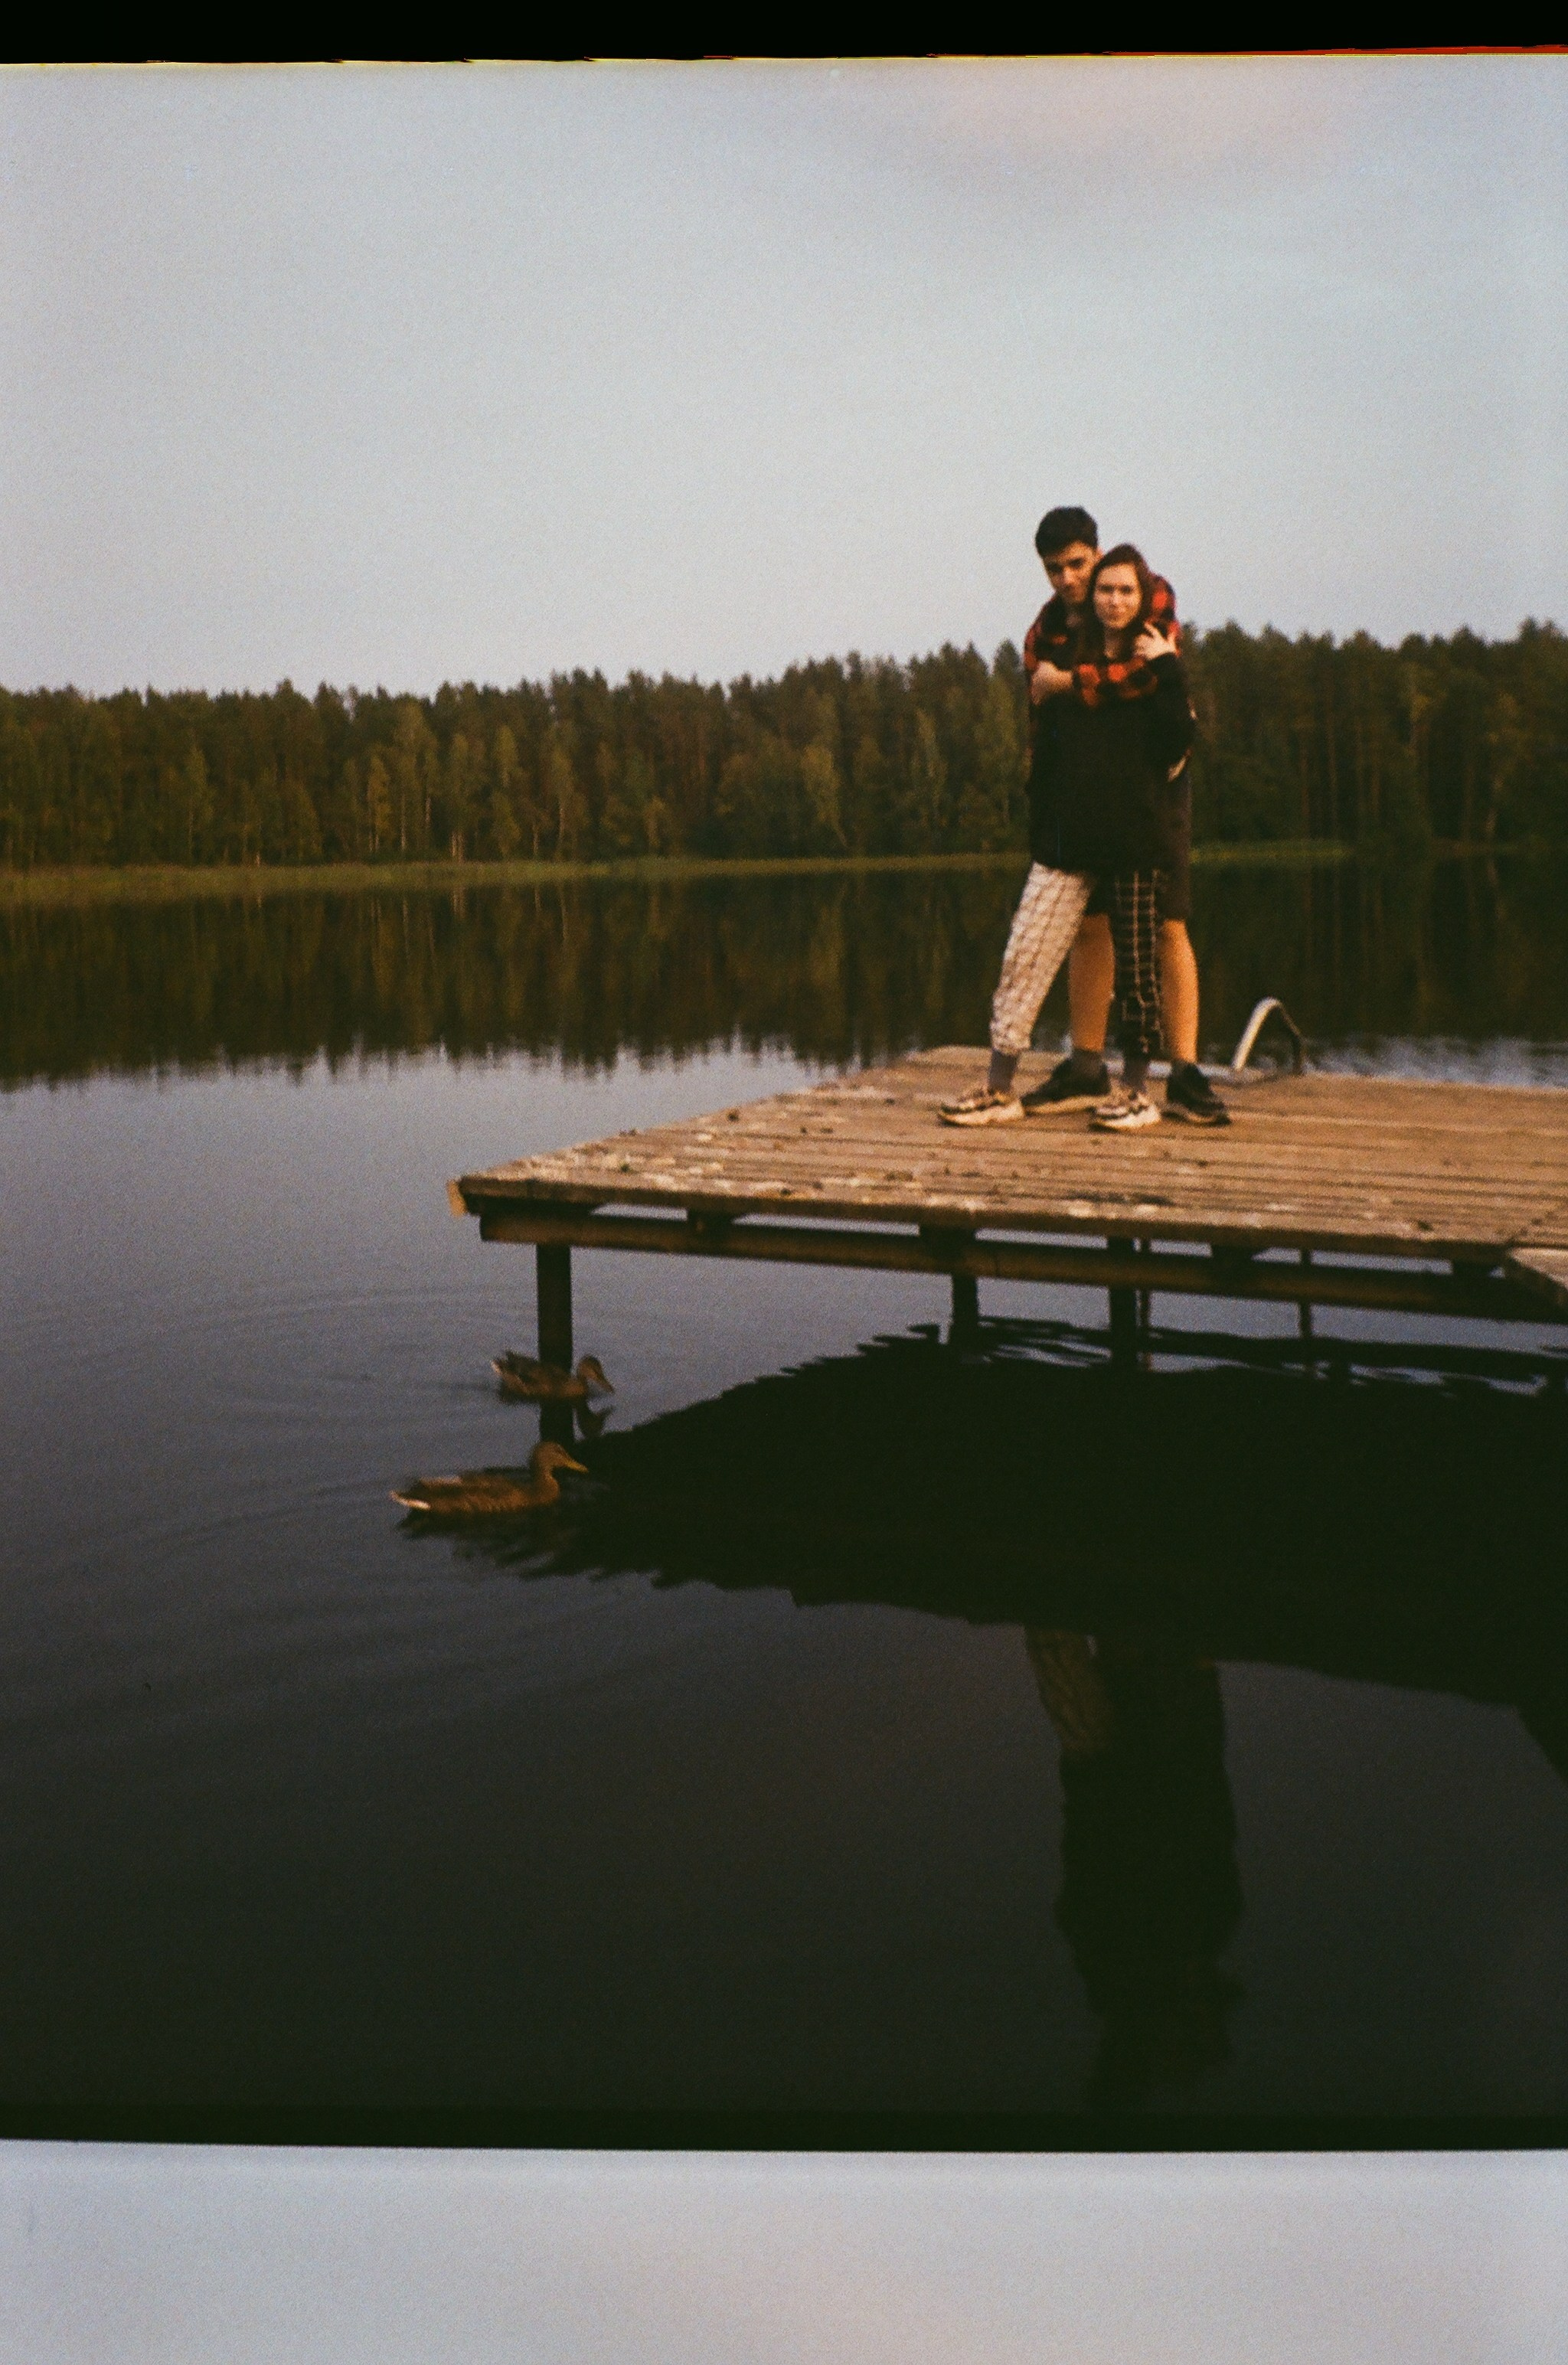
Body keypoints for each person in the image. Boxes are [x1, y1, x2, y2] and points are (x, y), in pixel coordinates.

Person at [941, 507, 1228, 1128]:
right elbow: (1040, 706)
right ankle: (1087, 1064)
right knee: (1088, 927)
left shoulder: (1146, 597)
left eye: (1078, 564)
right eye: (1055, 570)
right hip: (1086, 803)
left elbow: (1141, 680)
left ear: (1097, 554)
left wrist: (1071, 681)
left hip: (1155, 790)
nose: (1069, 579)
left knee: (1166, 924)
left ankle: (1180, 1071)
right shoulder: (1049, 627)